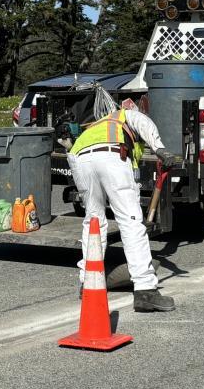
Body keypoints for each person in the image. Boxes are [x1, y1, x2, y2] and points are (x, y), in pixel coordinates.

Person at [67, 100, 177, 312]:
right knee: (131, 223)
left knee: (94, 223)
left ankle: (88, 283)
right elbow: (143, 123)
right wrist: (160, 149)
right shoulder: (125, 115)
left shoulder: (98, 125)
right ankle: (146, 290)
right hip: (110, 156)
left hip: (80, 160)